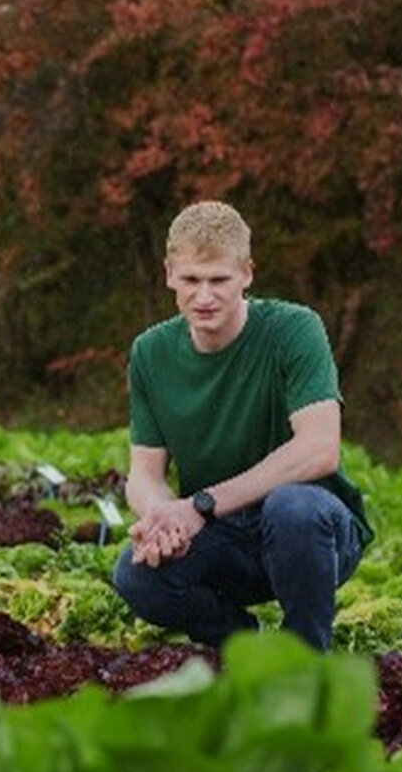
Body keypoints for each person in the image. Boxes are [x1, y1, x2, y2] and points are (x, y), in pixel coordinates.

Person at [111, 200, 372, 652]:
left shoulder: (294, 330)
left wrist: (200, 505)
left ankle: (303, 660)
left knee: (292, 508)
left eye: (219, 280)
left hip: (312, 534)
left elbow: (319, 448)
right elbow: (144, 474)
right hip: (223, 538)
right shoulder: (151, 353)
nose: (204, 296)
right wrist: (163, 518)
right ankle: (239, 646)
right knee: (135, 576)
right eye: (191, 280)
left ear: (247, 274)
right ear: (170, 273)